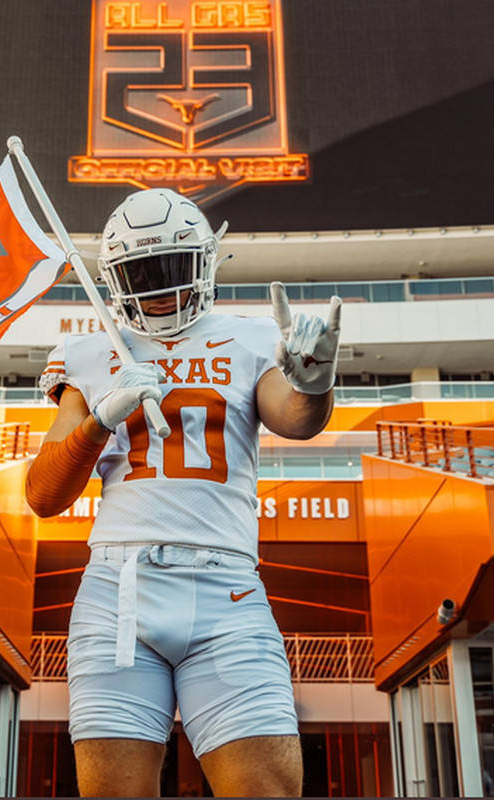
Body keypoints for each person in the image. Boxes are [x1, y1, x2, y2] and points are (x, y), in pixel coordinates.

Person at [25, 188, 340, 797]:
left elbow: (295, 418)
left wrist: (315, 383)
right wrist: (97, 421)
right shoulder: (90, 353)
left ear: (205, 262)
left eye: (172, 269)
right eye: (141, 274)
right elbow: (42, 494)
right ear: (114, 279)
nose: (159, 289)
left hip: (228, 589)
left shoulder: (248, 339)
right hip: (120, 593)